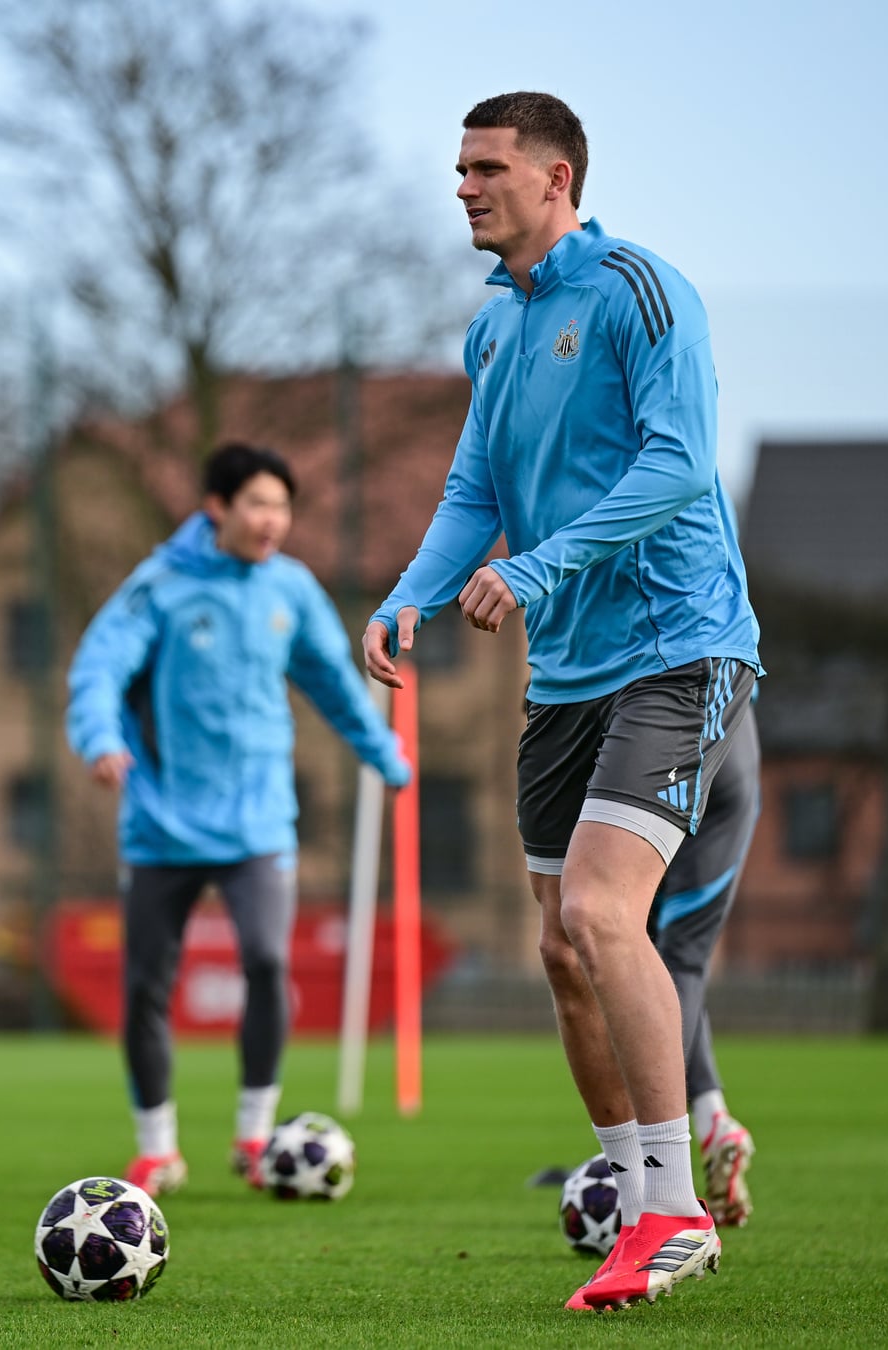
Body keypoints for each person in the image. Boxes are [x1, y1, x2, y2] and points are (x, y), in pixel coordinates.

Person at [363, 91, 762, 1313]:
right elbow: (475, 489)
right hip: (568, 675)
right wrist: (409, 597)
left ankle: (676, 1214)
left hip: (676, 648)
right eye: (460, 168)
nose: (465, 187)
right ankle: (642, 1206)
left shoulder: (641, 290)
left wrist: (540, 568)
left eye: (487, 167)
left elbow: (678, 462)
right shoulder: (495, 328)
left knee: (598, 910)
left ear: (557, 178)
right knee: (560, 948)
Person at [67, 441, 410, 1198]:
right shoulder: (159, 586)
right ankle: (157, 1149)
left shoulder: (291, 589)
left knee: (266, 960)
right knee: (146, 985)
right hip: (162, 824)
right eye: (258, 504)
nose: (272, 521)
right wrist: (99, 737)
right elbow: (99, 668)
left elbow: (333, 680)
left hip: (258, 823)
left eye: (282, 507)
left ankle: (254, 1136)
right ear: (216, 507)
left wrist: (382, 753)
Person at [649, 702, 760, 1229]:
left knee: (652, 960)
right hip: (734, 745)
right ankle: (713, 1117)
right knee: (677, 962)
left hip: (656, 740)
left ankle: (649, 1164)